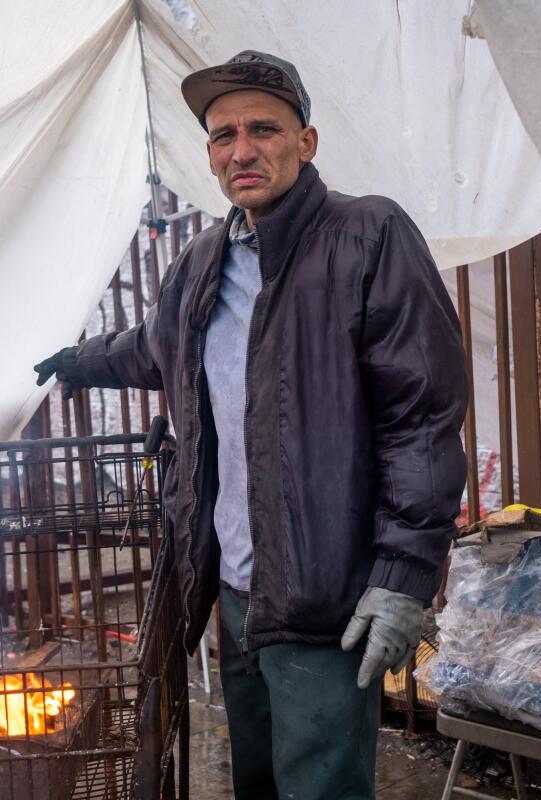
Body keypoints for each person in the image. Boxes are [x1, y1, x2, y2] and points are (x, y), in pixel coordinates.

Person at [33, 50, 468, 800]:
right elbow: (158, 347)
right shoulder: (206, 257)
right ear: (207, 153)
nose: (242, 149)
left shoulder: (367, 236)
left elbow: (421, 418)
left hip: (327, 595)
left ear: (307, 141)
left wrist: (403, 578)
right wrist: (78, 359)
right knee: (257, 783)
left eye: (263, 128)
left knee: (321, 788)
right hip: (235, 590)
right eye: (222, 134)